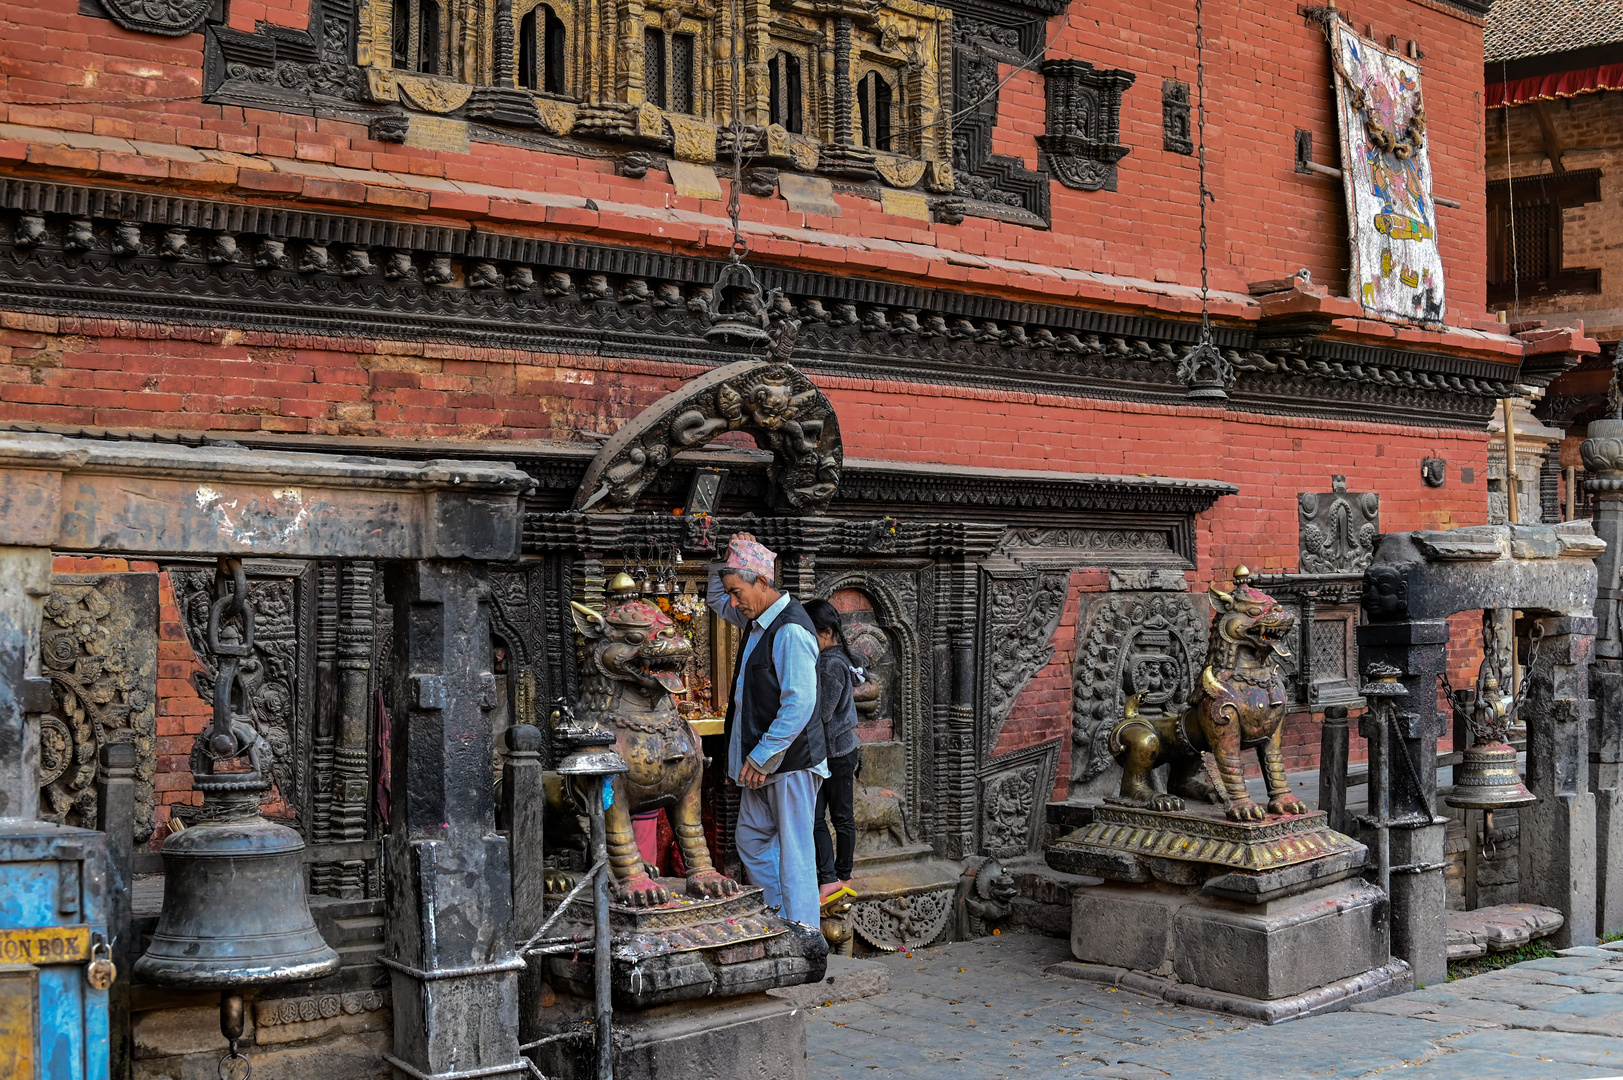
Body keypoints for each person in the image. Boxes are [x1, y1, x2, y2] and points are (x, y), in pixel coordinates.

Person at [709, 532, 827, 927]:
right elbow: (713, 599)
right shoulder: (758, 618)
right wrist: (722, 558)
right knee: (753, 840)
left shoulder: (789, 629)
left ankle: (806, 934)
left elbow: (799, 704)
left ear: (762, 581)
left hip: (789, 762)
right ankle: (780, 920)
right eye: (730, 592)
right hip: (761, 764)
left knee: (795, 853)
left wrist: (761, 756)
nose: (732, 602)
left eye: (737, 591)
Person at [804, 598, 863, 907]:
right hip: (830, 752)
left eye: (809, 633)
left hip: (836, 753)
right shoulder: (836, 659)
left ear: (826, 633)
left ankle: (842, 875)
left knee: (839, 818)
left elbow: (822, 713)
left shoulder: (830, 665)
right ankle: (828, 878)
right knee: (818, 818)